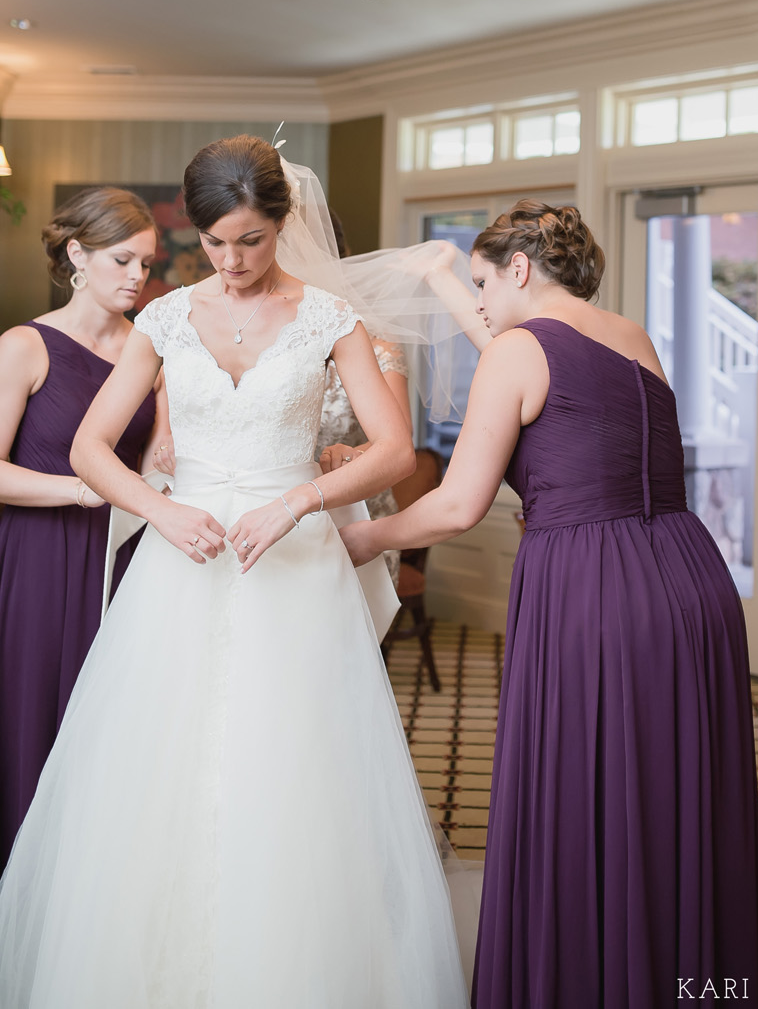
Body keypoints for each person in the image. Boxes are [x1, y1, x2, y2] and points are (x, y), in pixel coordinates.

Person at [0, 136, 470, 1008]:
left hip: (295, 575)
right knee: (156, 768)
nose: (232, 260)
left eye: (249, 241)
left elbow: (396, 447)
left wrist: (299, 501)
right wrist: (161, 508)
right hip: (180, 571)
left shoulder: (330, 316)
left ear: (278, 226)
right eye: (215, 241)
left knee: (294, 766)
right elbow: (89, 448)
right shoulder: (168, 318)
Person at [341, 200, 758, 1009]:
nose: (476, 303)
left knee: (591, 780)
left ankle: (598, 975)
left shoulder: (517, 350)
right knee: (671, 783)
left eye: (480, 282)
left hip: (593, 587)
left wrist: (367, 541)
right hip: (689, 581)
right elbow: (540, 387)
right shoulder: (630, 335)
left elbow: (455, 505)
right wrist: (445, 283)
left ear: (518, 269)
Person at [0, 186, 163, 870]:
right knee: (31, 707)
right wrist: (81, 488)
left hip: (124, 560)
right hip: (35, 556)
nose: (136, 276)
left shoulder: (154, 352)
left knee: (106, 723)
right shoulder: (24, 346)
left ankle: (83, 886)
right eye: (122, 259)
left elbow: (159, 472)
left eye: (147, 264)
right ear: (77, 253)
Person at [316, 209, 412, 587]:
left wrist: (352, 454)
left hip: (356, 520)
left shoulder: (376, 345)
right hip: (270, 515)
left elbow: (397, 442)